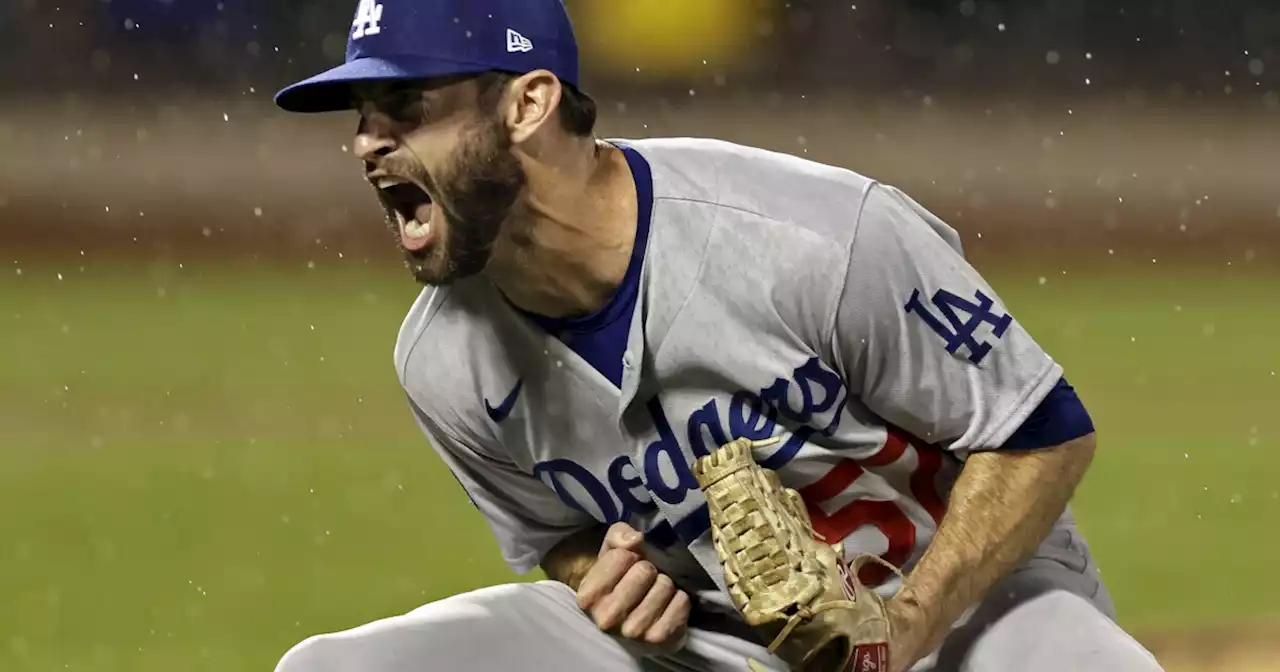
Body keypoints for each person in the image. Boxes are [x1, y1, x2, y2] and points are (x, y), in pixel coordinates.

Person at [270, 0, 1164, 670]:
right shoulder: (442, 363)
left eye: (405, 105)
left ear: (528, 103)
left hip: (969, 617)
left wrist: (910, 624)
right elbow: (554, 536)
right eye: (360, 115)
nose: (366, 142)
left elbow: (1041, 435)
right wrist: (602, 578)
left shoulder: (813, 238)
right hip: (719, 647)